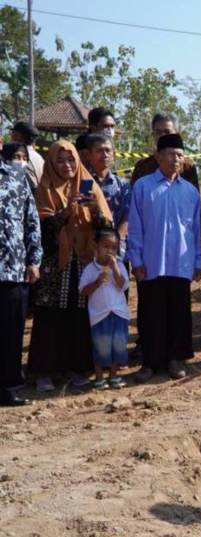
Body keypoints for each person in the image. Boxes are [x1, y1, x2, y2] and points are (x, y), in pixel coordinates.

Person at [27, 140, 113, 391]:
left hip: (84, 261)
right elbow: (40, 228)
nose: (67, 165)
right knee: (50, 317)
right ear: (52, 163)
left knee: (79, 316)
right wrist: (66, 211)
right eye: (61, 160)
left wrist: (92, 209)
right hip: (56, 263)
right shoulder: (45, 188)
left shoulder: (88, 184)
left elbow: (105, 226)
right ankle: (44, 371)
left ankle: (76, 368)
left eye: (71, 159)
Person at [127, 134, 201, 381]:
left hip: (180, 263)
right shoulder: (143, 187)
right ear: (158, 156)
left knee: (179, 312)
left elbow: (195, 230)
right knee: (151, 313)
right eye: (171, 154)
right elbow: (135, 227)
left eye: (180, 155)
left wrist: (197, 260)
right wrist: (136, 259)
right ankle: (150, 362)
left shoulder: (191, 191)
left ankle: (175, 359)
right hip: (151, 262)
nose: (176, 159)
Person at [0, 151, 41, 406]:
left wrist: (34, 259)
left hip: (12, 268)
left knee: (11, 332)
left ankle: (7, 387)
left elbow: (31, 219)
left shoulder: (15, 174)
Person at [79, 226, 129, 389]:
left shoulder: (120, 266)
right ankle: (99, 377)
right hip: (99, 315)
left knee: (118, 345)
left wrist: (115, 268)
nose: (110, 251)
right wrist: (96, 283)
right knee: (101, 346)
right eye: (105, 246)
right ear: (96, 247)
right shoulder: (90, 269)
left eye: (113, 247)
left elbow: (123, 285)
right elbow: (83, 291)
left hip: (119, 312)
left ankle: (114, 375)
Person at [82, 134, 131, 247]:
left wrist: (115, 241)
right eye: (99, 150)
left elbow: (127, 217)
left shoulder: (123, 185)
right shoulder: (84, 183)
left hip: (116, 245)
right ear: (89, 155)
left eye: (108, 150)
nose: (104, 155)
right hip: (89, 245)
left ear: (113, 155)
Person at [130, 113, 200, 189]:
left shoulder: (187, 167)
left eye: (167, 132)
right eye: (158, 132)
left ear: (176, 134)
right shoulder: (142, 167)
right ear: (153, 135)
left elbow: (193, 197)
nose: (162, 136)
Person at [10, 121, 45, 188]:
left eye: (12, 134)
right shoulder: (39, 157)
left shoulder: (18, 159)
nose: (11, 137)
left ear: (18, 136)